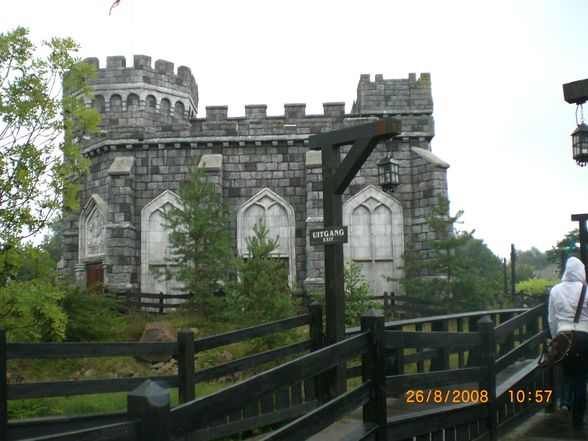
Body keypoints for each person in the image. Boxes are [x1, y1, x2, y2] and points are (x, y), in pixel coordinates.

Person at [548, 256, 588, 427]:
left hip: (563, 335)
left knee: (566, 371)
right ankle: (578, 419)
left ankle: (565, 402)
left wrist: (554, 337)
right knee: (581, 377)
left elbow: (551, 318)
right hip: (584, 336)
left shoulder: (556, 290)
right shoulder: (586, 290)